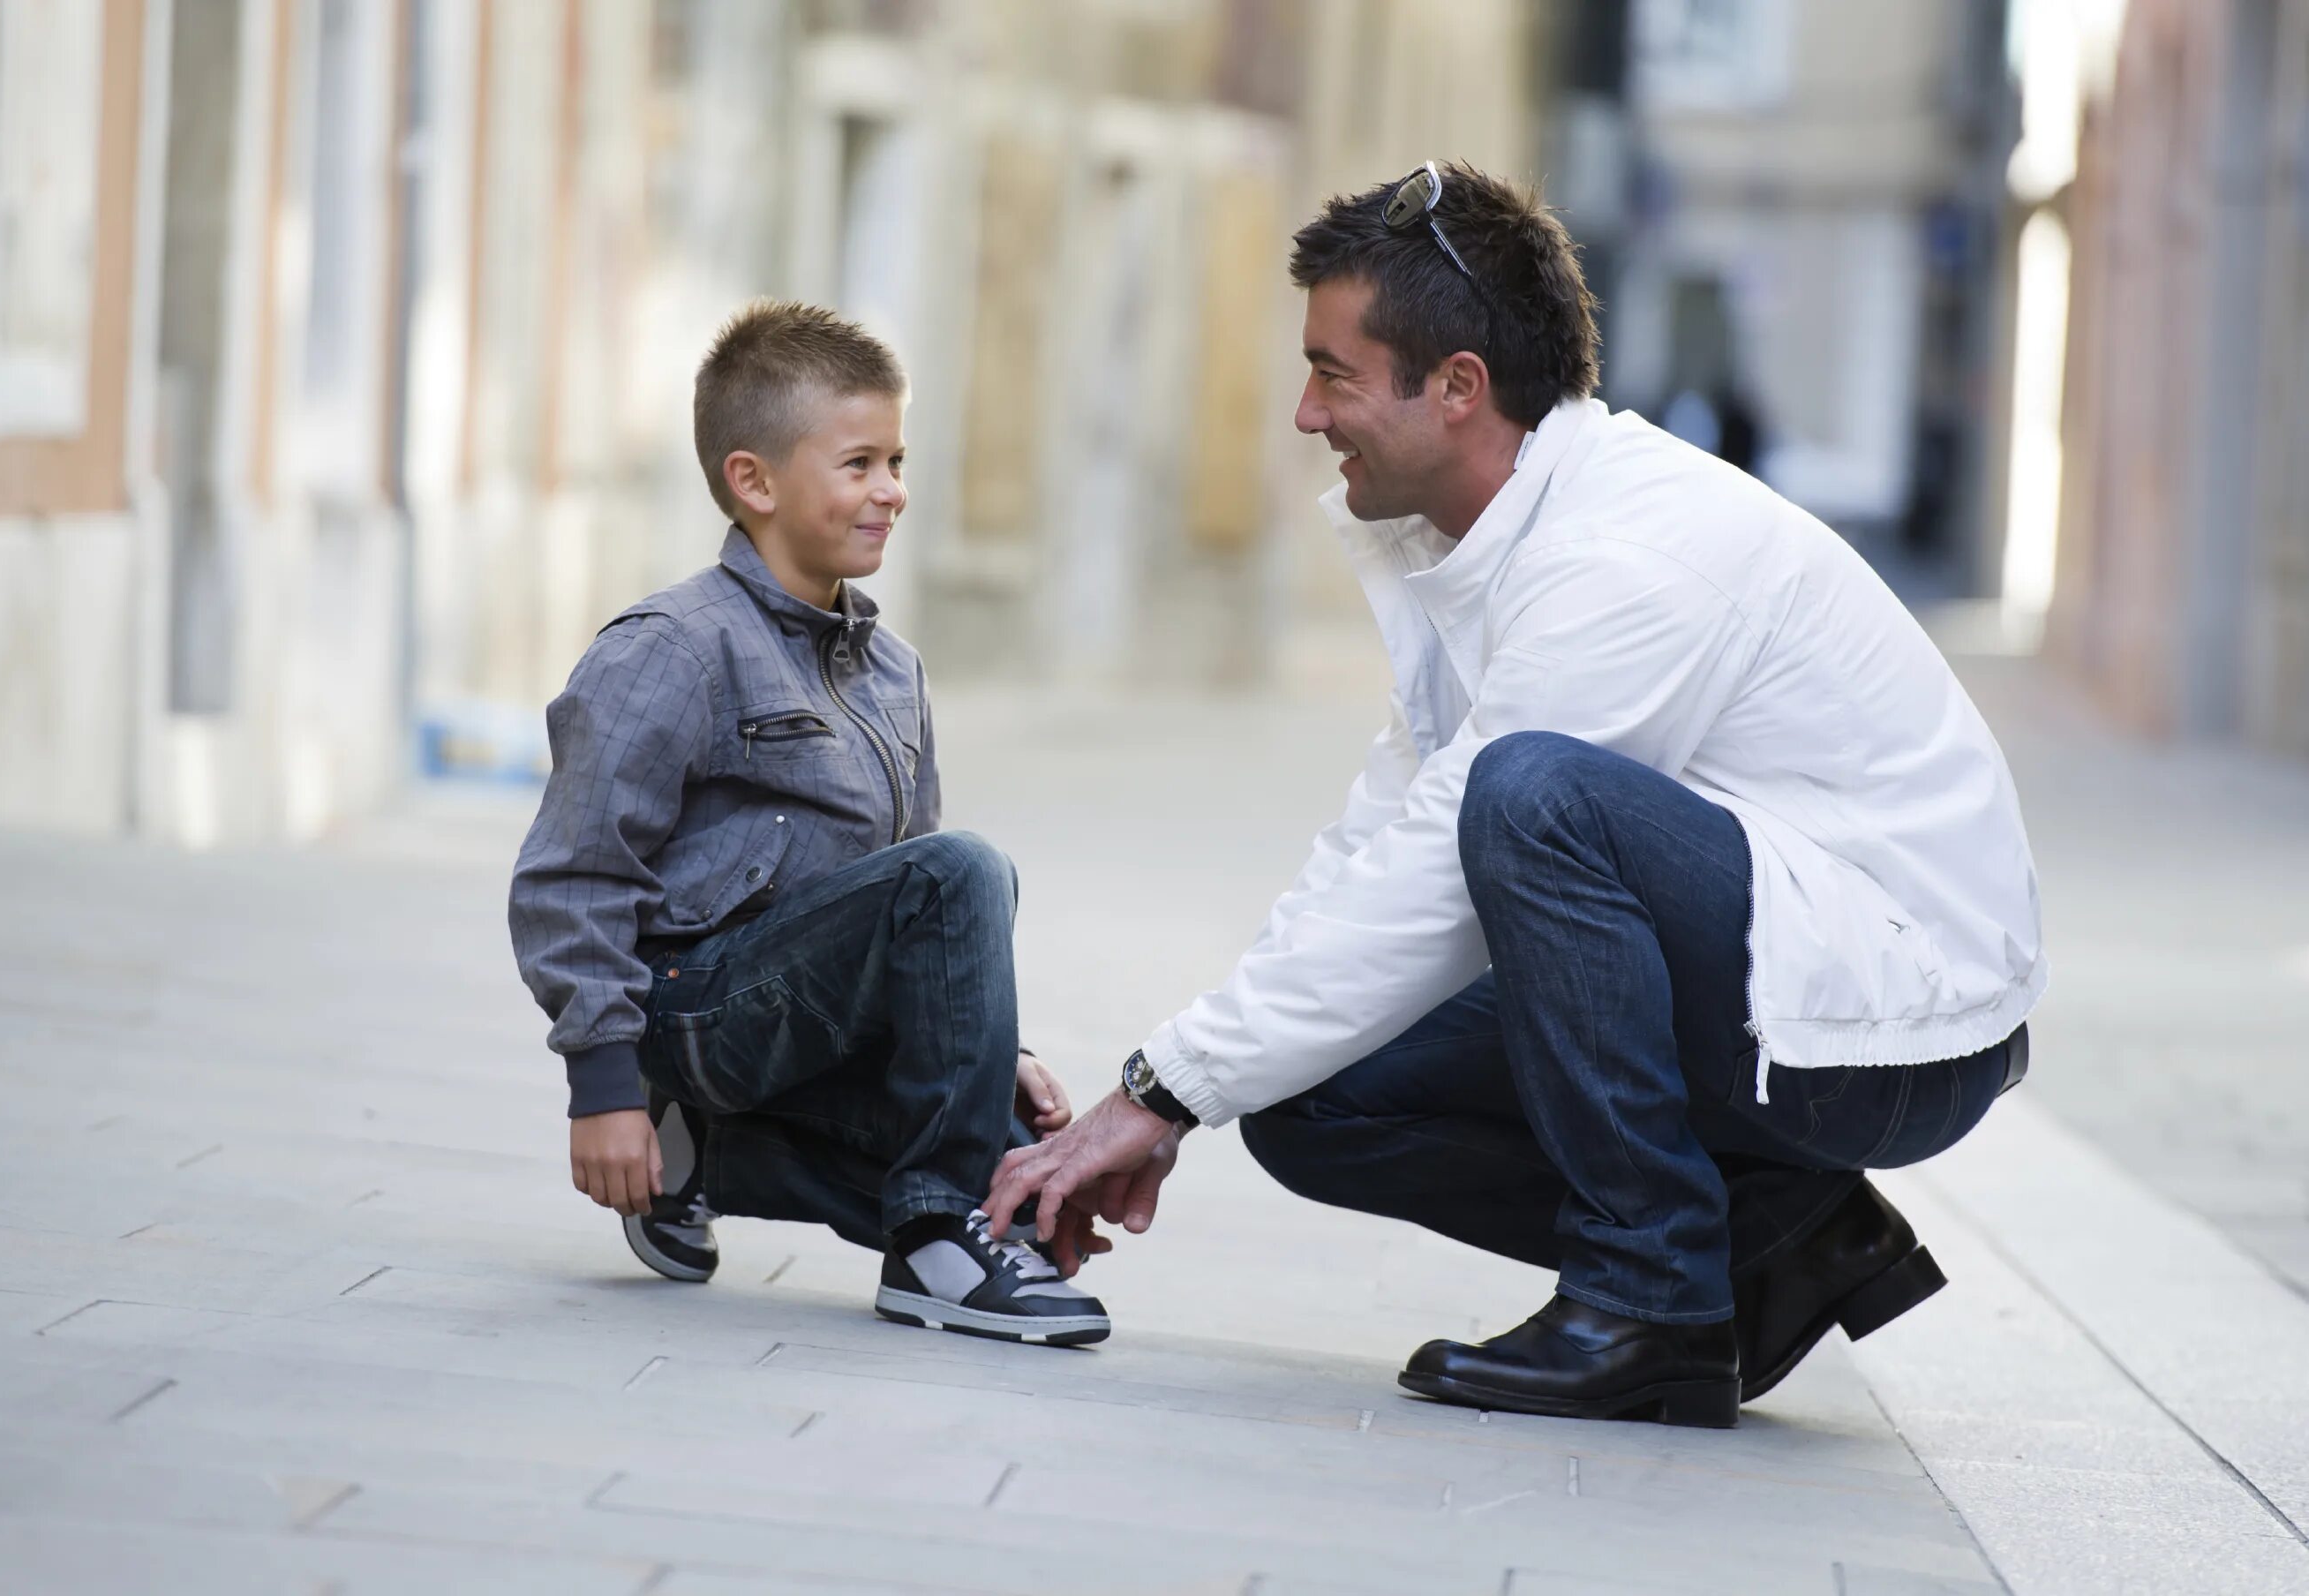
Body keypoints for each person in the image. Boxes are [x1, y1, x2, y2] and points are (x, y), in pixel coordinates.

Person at [985, 163, 2045, 1422]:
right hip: (1776, 974)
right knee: (1307, 1095)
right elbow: (1378, 843)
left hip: (1895, 1024)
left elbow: (1449, 853)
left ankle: (1647, 1294)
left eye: (1332, 373)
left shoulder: (1627, 559)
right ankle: (1774, 1242)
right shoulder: (1476, 542)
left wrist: (1153, 1095)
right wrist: (1180, 1084)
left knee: (1530, 794)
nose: (1302, 415)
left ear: (1458, 387)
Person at [509, 301, 1110, 1347]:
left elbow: (904, 896)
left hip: (803, 1019)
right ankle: (933, 1242)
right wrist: (601, 1083)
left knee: (1013, 1151)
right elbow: (572, 876)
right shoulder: (674, 647)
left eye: (898, 460)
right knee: (967, 873)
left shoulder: (893, 672)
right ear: (755, 481)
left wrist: (986, 1048)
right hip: (692, 1009)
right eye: (861, 464)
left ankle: (702, 1159)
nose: (894, 491)